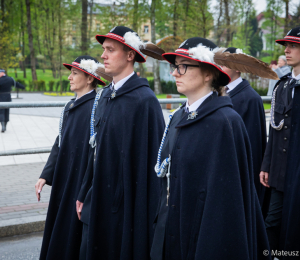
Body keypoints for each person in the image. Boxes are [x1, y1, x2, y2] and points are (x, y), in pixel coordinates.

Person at [150, 37, 271, 260]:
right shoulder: (178, 116)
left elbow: (226, 202)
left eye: (183, 67)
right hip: (171, 233)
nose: (175, 73)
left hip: (204, 239)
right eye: (175, 67)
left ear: (208, 74)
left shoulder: (225, 122)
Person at [76, 26, 165, 260]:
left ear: (129, 55)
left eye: (110, 49)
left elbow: (150, 169)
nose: (103, 55)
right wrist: (84, 191)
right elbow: (94, 150)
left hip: (125, 208)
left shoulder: (145, 101)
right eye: (103, 49)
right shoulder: (105, 96)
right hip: (97, 199)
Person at [35, 56, 110, 260]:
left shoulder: (98, 108)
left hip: (81, 182)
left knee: (74, 236)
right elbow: (60, 141)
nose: (69, 77)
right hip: (63, 179)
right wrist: (46, 174)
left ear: (89, 79)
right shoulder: (70, 107)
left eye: (75, 73)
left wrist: (87, 187)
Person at [260, 26, 300, 258]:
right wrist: (266, 165)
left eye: (293, 46)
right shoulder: (282, 85)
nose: (287, 50)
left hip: (297, 171)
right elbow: (273, 130)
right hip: (280, 172)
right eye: (286, 45)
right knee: (271, 223)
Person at [221, 47, 267, 205]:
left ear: (237, 66)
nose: (220, 67)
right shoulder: (218, 94)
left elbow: (253, 144)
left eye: (224, 64)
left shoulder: (251, 98)